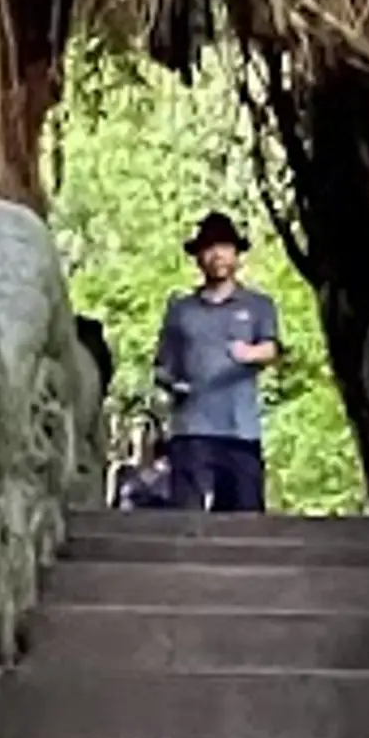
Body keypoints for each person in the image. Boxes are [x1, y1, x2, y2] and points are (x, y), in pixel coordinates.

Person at [151, 209, 286, 513]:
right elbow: (162, 365)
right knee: (188, 519)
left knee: (246, 518)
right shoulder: (181, 310)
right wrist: (171, 386)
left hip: (241, 429)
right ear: (198, 257)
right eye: (209, 248)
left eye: (224, 247)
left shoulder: (258, 305)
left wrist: (250, 353)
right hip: (191, 430)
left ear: (237, 254)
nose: (217, 255)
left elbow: (273, 348)